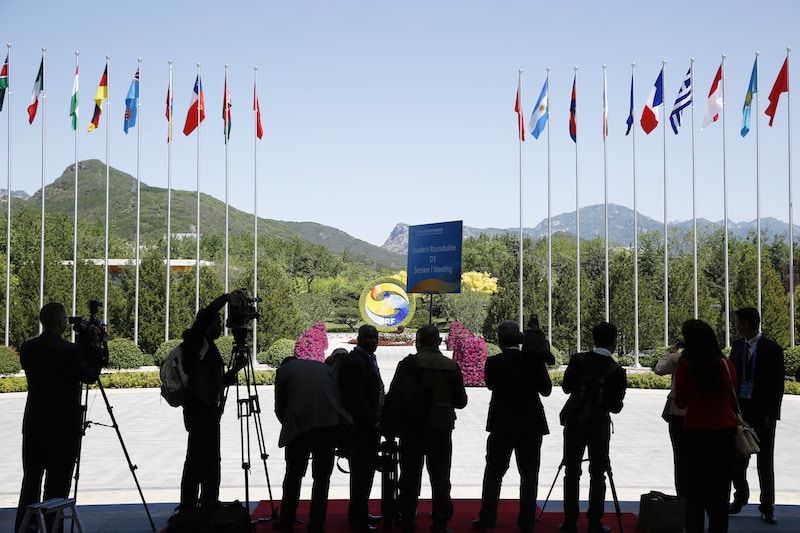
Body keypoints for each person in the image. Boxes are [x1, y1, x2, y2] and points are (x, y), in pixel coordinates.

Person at [15, 302, 103, 533]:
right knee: (57, 484)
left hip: (34, 424)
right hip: (63, 428)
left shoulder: (27, 348)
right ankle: (53, 528)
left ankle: (25, 527)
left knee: (30, 481)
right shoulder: (70, 351)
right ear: (61, 322)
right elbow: (90, 376)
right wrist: (94, 347)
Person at [472, 320, 552, 533]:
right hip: (530, 424)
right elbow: (546, 390)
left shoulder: (493, 362)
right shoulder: (533, 361)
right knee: (529, 475)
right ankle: (526, 522)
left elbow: (490, 385)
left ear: (499, 340)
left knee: (494, 472)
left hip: (502, 423)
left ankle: (487, 518)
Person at [388, 325, 467, 533]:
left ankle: (407, 520)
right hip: (441, 428)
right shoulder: (451, 366)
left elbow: (395, 395)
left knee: (409, 477)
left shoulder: (408, 364)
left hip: (412, 428)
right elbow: (461, 401)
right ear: (439, 342)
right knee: (440, 478)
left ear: (419, 342)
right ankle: (440, 522)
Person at [179, 290, 245, 511]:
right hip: (200, 409)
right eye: (217, 323)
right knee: (200, 457)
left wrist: (234, 371)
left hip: (207, 408)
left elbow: (213, 381)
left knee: (208, 457)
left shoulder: (207, 346)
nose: (220, 327)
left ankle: (208, 500)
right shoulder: (196, 342)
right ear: (207, 325)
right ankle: (193, 503)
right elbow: (207, 313)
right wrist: (227, 298)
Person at [558, 322, 627, 533]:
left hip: (575, 423)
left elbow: (566, 387)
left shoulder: (578, 360)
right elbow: (615, 407)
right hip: (598, 426)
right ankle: (594, 522)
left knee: (572, 471)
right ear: (614, 342)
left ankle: (570, 522)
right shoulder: (617, 371)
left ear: (594, 339)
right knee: (598, 474)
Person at [273, 356, 352, 533]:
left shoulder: (284, 371)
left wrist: (288, 424)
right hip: (327, 427)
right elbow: (336, 398)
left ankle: (286, 521)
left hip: (299, 429)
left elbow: (280, 406)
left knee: (293, 476)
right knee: (322, 479)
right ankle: (317, 524)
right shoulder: (323, 368)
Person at [674, 319, 738, 533]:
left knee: (694, 493)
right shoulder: (726, 365)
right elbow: (732, 398)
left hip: (695, 433)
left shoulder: (686, 366)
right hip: (724, 433)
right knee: (720, 492)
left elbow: (681, 402)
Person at [728, 307, 785, 525]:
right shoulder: (737, 346)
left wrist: (772, 413)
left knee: (765, 462)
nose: (735, 326)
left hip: (763, 415)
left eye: (738, 322)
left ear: (747, 324)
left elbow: (777, 385)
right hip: (741, 412)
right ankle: (740, 496)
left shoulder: (772, 349)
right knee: (737, 459)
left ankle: (767, 506)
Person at [338, 324, 384, 533]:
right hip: (360, 430)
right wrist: (373, 420)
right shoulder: (355, 361)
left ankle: (361, 513)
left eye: (375, 338)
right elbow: (354, 398)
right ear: (359, 338)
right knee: (360, 475)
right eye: (368, 337)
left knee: (365, 475)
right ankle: (358, 520)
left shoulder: (367, 358)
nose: (373, 341)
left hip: (368, 428)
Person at [654, 346, 689, 498]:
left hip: (678, 411)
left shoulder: (677, 358)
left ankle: (682, 496)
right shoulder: (716, 361)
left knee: (680, 458)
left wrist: (668, 352)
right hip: (702, 412)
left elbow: (659, 369)